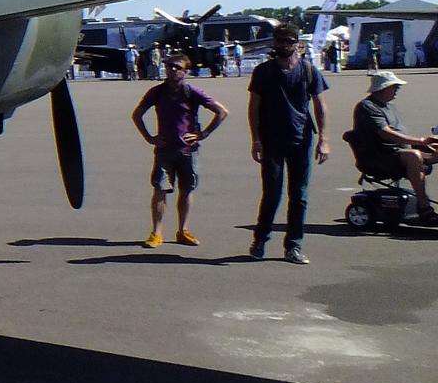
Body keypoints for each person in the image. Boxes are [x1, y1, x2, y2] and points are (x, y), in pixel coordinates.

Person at [246, 23, 331, 263]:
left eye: (289, 41)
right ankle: (260, 239)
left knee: (299, 195)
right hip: (272, 140)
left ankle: (293, 245)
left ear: (298, 44)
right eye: (280, 41)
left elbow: (320, 106)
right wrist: (256, 139)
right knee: (272, 193)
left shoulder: (309, 71)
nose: (284, 45)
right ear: (274, 43)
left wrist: (324, 139)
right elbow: (254, 107)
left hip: (301, 139)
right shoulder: (263, 72)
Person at [131, 55, 228, 247]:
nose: (172, 70)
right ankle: (156, 232)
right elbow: (137, 114)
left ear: (185, 71)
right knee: (160, 190)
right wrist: (149, 137)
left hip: (187, 150)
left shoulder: (191, 92)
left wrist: (203, 134)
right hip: (164, 149)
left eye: (177, 67)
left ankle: (183, 230)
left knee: (186, 190)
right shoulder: (157, 92)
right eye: (169, 66)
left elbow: (222, 112)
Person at [349, 71, 438, 223]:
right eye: (394, 86)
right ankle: (424, 207)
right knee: (414, 156)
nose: (397, 89)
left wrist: (428, 145)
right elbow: (386, 134)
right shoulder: (367, 107)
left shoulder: (389, 107)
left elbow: (400, 137)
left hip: (398, 152)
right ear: (383, 88)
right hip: (379, 156)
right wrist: (421, 141)